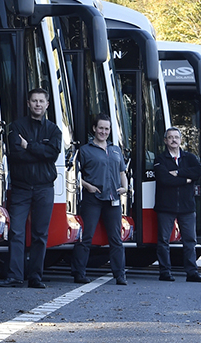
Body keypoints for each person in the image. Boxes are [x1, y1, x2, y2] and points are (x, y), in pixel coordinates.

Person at [0, 88, 62, 289]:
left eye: (41, 101)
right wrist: (37, 150)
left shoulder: (54, 130)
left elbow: (52, 154)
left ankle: (35, 277)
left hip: (44, 188)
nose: (38, 104)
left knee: (40, 234)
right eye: (34, 101)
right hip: (21, 188)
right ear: (28, 103)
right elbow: (15, 154)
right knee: (16, 232)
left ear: (47, 104)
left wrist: (29, 146)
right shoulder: (16, 127)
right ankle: (15, 276)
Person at [71, 113, 128, 286]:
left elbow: (122, 172)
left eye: (107, 128)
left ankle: (120, 275)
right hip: (92, 198)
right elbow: (74, 174)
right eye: (101, 128)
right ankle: (79, 273)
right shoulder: (85, 150)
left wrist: (125, 187)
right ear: (94, 129)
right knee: (86, 237)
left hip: (113, 200)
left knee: (116, 239)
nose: (104, 131)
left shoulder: (115, 149)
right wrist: (86, 185)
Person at [152, 127, 201, 283]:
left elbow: (198, 171)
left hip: (187, 207)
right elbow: (164, 179)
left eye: (176, 137)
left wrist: (177, 172)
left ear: (180, 140)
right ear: (165, 140)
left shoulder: (190, 157)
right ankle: (165, 272)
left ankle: (192, 272)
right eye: (170, 137)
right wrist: (186, 180)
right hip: (165, 207)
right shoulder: (160, 159)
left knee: (190, 240)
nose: (173, 140)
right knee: (163, 241)